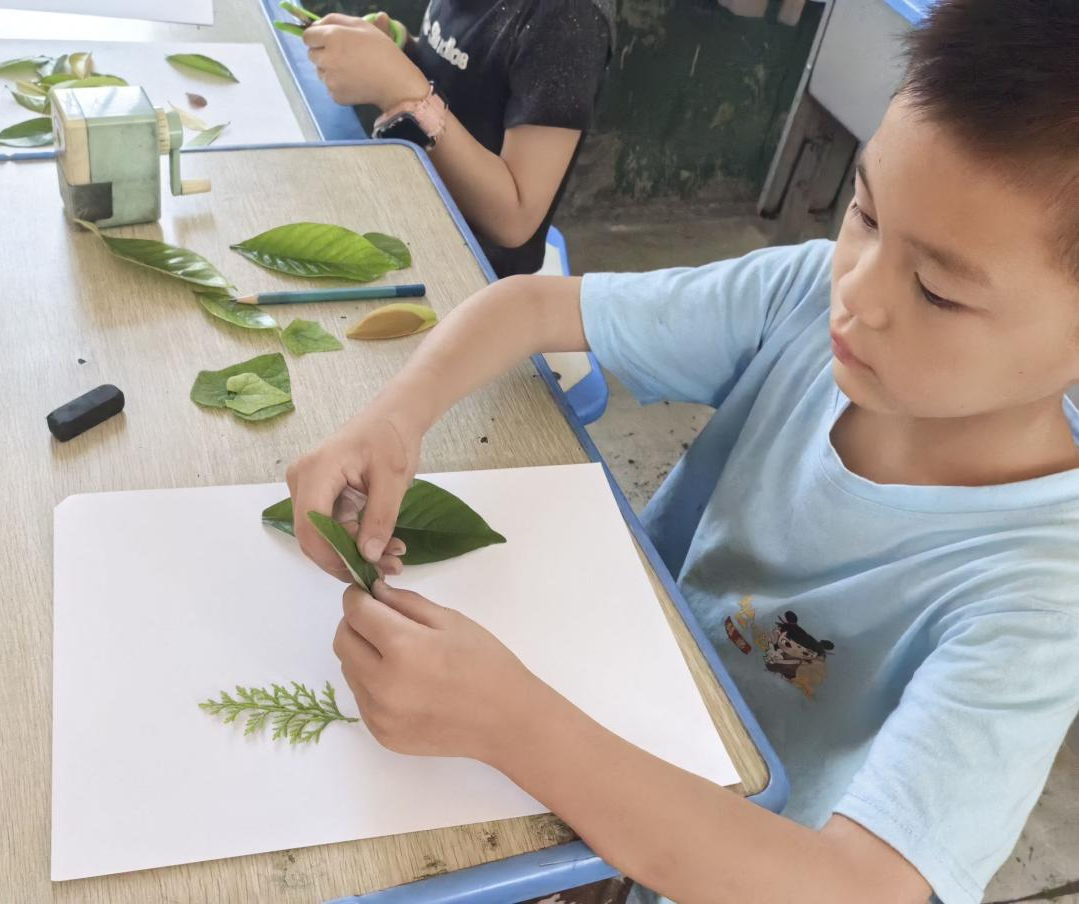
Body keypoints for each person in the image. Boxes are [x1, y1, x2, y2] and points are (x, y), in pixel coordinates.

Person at [286, 2, 1079, 901]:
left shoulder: (1040, 602)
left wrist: (510, 723)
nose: (858, 292)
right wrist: (392, 420)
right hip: (601, 713)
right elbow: (531, 307)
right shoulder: (802, 298)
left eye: (935, 290)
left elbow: (858, 888)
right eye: (863, 213)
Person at [300, 0, 613, 277]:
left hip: (469, 268)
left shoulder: (567, 18)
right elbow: (468, 70)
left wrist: (403, 93)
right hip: (412, 208)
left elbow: (514, 218)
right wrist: (401, 50)